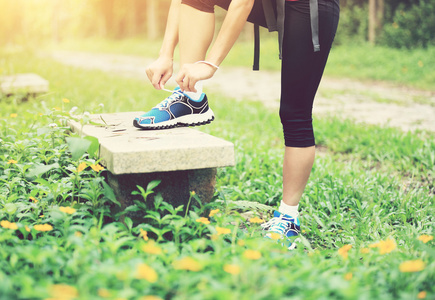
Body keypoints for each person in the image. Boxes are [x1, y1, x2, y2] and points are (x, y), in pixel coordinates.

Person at [134, 0, 339, 250]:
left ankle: (288, 217)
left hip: (310, 6)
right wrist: (165, 55)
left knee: (294, 113)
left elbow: (243, 2)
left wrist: (210, 64)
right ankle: (190, 96)